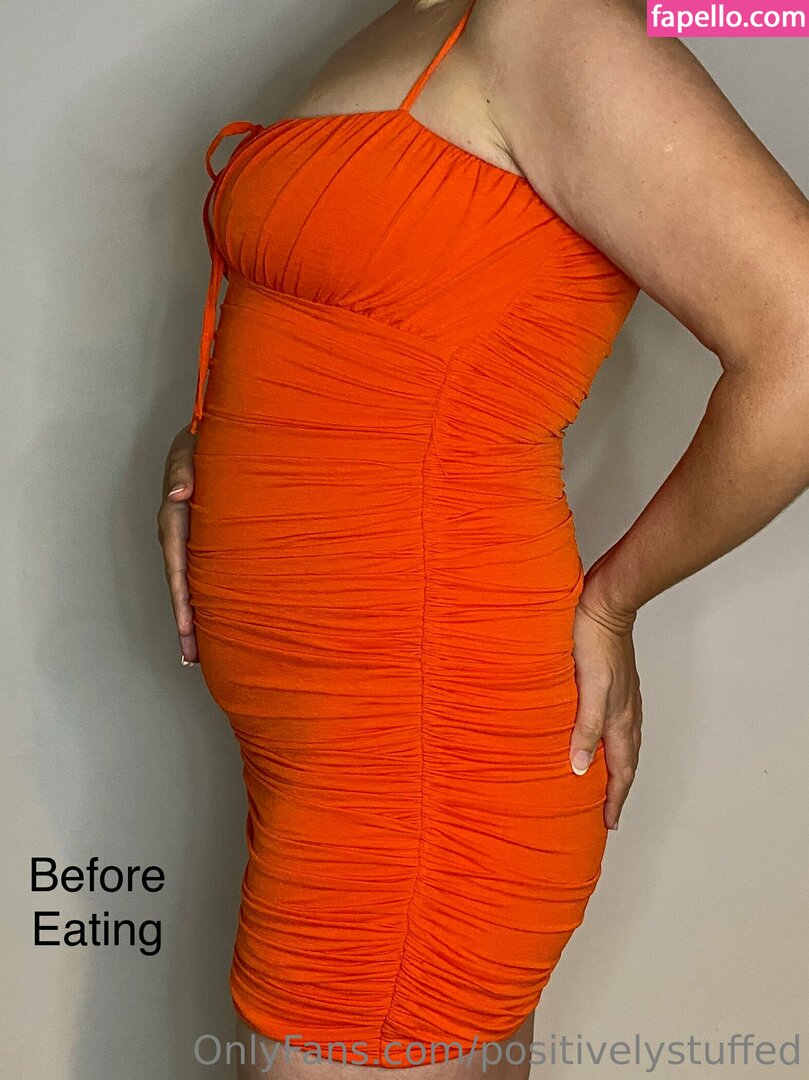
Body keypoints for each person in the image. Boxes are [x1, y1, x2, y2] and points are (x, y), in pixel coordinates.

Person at [157, 1, 809, 1077]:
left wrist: (614, 600)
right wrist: (216, 445)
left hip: (423, 753)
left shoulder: (550, 22)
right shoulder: (418, 20)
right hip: (332, 744)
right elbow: (374, 330)